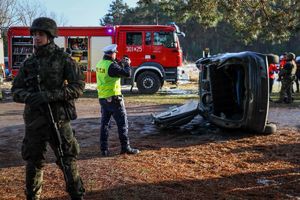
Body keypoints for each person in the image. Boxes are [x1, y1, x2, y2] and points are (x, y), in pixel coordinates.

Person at [11, 17, 85, 200]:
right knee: (33, 161)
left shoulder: (63, 59)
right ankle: (32, 196)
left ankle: (77, 195)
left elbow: (78, 86)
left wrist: (50, 96)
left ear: (50, 36)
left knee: (67, 159)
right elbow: (15, 91)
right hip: (35, 120)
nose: (37, 37)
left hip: (58, 118)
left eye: (41, 34)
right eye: (34, 34)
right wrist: (31, 97)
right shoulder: (29, 63)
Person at [96, 44, 140, 156]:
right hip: (114, 99)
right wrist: (128, 64)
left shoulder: (101, 64)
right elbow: (127, 73)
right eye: (115, 53)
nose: (116, 55)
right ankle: (125, 148)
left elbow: (113, 71)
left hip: (103, 98)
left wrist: (120, 63)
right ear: (112, 53)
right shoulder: (112, 66)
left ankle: (103, 149)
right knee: (122, 124)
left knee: (105, 124)